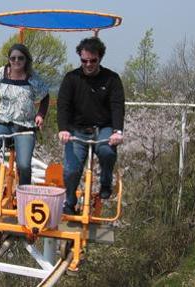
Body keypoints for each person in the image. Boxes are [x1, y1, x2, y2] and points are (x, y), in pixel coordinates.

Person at [57, 37, 125, 215]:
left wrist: (118, 131)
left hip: (103, 128)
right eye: (84, 60)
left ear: (100, 58)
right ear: (80, 58)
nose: (88, 64)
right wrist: (63, 129)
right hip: (77, 130)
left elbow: (117, 105)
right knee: (71, 170)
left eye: (93, 61)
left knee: (107, 151)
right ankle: (70, 202)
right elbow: (63, 105)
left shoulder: (112, 79)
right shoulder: (71, 78)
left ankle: (105, 182)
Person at [0, 43, 50, 191]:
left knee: (24, 164)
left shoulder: (32, 77)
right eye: (13, 58)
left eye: (20, 58)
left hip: (25, 125)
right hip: (4, 121)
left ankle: (24, 192)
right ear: (9, 59)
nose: (16, 61)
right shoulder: (2, 73)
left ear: (26, 60)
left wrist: (40, 115)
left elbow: (45, 96)